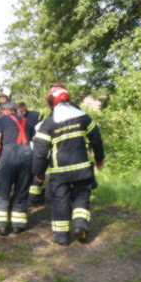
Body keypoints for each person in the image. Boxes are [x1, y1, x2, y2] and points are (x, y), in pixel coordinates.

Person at [32, 83, 105, 245]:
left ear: (51, 102)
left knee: (60, 201)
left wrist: (38, 172)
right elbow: (96, 139)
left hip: (60, 173)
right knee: (81, 197)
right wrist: (99, 159)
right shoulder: (83, 117)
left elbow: (40, 151)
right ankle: (80, 225)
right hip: (82, 170)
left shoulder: (48, 123)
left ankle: (61, 237)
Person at [0, 101, 35, 235]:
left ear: (4, 111)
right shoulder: (29, 122)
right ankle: (18, 225)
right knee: (22, 189)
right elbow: (34, 141)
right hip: (28, 156)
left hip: (9, 155)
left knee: (2, 189)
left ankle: (0, 225)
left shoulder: (1, 121)